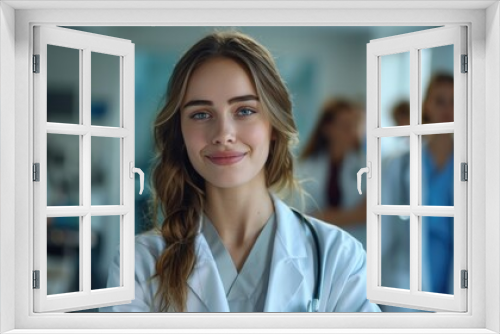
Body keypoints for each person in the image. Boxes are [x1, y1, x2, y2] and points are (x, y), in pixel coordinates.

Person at [100, 31, 380, 313]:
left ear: (273, 125)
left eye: (244, 110)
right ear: (180, 134)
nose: (223, 134)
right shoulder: (140, 263)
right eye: (200, 114)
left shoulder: (338, 256)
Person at [380, 73, 454, 311]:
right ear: (426, 106)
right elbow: (384, 230)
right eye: (440, 101)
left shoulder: (474, 164)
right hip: (406, 275)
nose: (448, 109)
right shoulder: (399, 163)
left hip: (456, 272)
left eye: (455, 101)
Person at [295, 99, 368, 249]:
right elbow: (299, 216)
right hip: (317, 245)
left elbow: (368, 214)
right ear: (327, 128)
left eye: (354, 125)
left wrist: (322, 217)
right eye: (345, 126)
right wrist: (353, 215)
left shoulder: (366, 165)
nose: (352, 132)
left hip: (357, 245)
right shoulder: (306, 167)